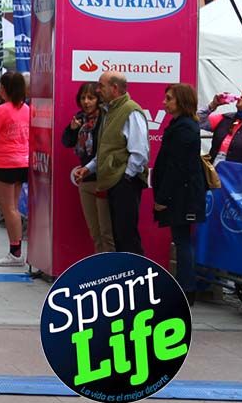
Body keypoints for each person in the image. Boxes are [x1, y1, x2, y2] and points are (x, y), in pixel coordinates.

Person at [73, 72, 149, 255]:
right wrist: (88, 168)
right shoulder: (109, 111)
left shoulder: (131, 111)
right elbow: (106, 150)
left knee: (127, 235)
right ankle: (124, 278)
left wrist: (126, 177)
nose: (98, 90)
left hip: (124, 183)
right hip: (114, 182)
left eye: (101, 86)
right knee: (118, 236)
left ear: (114, 89)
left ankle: (137, 279)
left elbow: (139, 152)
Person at [152, 83, 207, 304]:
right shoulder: (179, 125)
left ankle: (187, 287)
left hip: (182, 195)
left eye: (169, 98)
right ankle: (185, 285)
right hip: (179, 193)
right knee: (180, 239)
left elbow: (177, 167)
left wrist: (163, 198)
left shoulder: (185, 128)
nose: (164, 103)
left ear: (181, 101)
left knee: (182, 240)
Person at [0, 72, 31, 267]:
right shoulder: (26, 108)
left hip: (5, 164)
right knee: (14, 207)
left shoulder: (1, 110)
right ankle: (17, 251)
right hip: (22, 163)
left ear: (5, 89)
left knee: (9, 209)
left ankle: (15, 252)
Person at [62, 82, 112, 253]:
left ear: (98, 99)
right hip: (85, 180)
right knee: (95, 232)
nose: (86, 102)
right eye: (83, 98)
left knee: (107, 232)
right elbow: (67, 142)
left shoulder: (106, 118)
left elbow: (107, 149)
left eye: (90, 98)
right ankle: (101, 269)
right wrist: (72, 129)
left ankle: (112, 271)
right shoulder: (80, 118)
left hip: (103, 179)